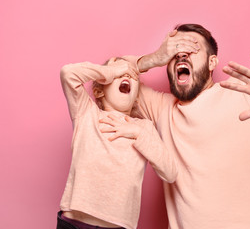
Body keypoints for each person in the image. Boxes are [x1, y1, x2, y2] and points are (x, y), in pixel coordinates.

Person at [104, 24, 250, 229]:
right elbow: (105, 76)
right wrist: (154, 58)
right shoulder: (161, 107)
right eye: (175, 52)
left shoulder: (246, 93)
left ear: (211, 62)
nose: (182, 55)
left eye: (192, 49)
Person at [58, 57, 178, 229]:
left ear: (136, 97)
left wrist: (137, 134)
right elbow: (68, 73)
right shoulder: (86, 113)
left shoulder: (143, 128)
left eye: (132, 74)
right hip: (73, 222)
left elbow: (170, 172)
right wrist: (111, 71)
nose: (126, 76)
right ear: (100, 91)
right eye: (121, 72)